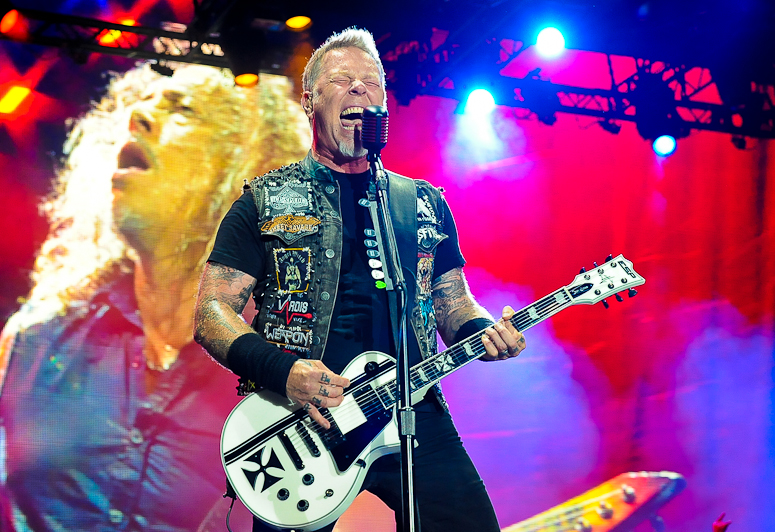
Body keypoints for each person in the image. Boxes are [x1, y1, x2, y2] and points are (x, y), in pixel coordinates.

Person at [193, 27, 527, 532]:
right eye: (341, 80)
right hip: (305, 418)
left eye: (371, 83)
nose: (358, 90)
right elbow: (211, 314)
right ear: (309, 102)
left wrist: (485, 331)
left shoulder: (422, 203)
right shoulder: (263, 202)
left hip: (411, 405)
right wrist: (285, 372)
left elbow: (454, 305)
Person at [0, 63, 310, 531]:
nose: (138, 116)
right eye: (139, 106)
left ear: (246, 161)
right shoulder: (33, 338)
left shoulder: (283, 361)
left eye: (180, 109)